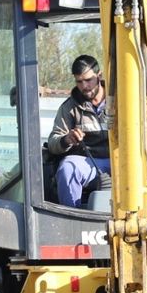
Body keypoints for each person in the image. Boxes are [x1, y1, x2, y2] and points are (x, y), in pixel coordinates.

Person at [47, 54, 111, 208]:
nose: (84, 86)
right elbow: (53, 142)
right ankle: (72, 217)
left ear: (99, 75)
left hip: (121, 163)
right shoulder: (69, 108)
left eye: (88, 80)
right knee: (68, 167)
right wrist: (66, 140)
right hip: (88, 164)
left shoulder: (120, 101)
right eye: (79, 82)